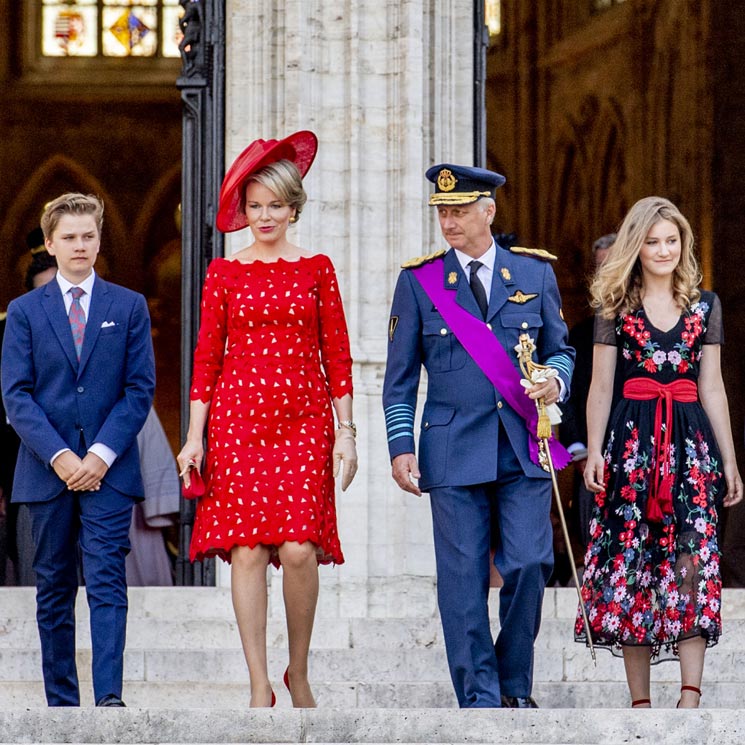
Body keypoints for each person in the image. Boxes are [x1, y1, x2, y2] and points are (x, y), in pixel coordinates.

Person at [382, 164, 574, 709]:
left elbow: (562, 349)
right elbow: (399, 380)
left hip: (523, 443)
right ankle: (481, 695)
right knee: (463, 581)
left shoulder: (533, 275)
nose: (449, 222)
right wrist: (401, 448)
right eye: (442, 212)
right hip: (451, 449)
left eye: (460, 211)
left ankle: (513, 681)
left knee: (532, 563)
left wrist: (554, 380)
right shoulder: (419, 282)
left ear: (488, 211)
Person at [177, 130, 357, 709]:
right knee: (247, 550)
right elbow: (206, 358)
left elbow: (338, 354)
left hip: (305, 420)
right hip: (237, 423)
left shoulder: (317, 268)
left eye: (274, 205)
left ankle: (296, 670)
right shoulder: (225, 273)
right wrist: (193, 437)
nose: (264, 216)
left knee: (301, 547)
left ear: (294, 207)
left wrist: (346, 434)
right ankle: (259, 682)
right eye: (254, 206)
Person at [576, 196, 743, 709]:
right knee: (633, 562)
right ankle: (640, 703)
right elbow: (601, 387)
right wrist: (596, 451)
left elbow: (711, 386)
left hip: (691, 447)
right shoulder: (616, 307)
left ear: (683, 244)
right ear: (636, 246)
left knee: (691, 561)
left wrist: (730, 460)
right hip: (630, 445)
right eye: (653, 241)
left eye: (672, 240)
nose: (663, 249)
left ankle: (690, 699)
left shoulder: (705, 305)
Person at [1, 193, 156, 707]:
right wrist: (62, 457)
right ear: (50, 244)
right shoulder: (23, 312)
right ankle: (62, 704)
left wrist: (100, 456)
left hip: (108, 472)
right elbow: (16, 395)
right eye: (69, 237)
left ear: (99, 238)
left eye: (88, 235)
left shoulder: (128, 306)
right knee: (53, 587)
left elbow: (139, 390)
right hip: (47, 473)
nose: (80, 245)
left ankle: (109, 699)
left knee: (109, 580)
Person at [557, 232, 616, 579]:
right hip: (592, 452)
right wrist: (579, 449)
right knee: (590, 526)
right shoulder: (580, 334)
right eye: (600, 268)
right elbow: (574, 395)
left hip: (644, 440)